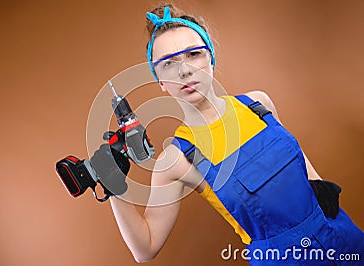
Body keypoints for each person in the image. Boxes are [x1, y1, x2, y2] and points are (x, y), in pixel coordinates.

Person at [90, 4, 364, 265]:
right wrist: (114, 186)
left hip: (343, 237)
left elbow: (295, 159)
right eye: (169, 63)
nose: (184, 70)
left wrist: (320, 190)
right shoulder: (175, 160)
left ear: (211, 57)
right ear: (160, 80)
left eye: (193, 54)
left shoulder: (258, 104)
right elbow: (145, 248)